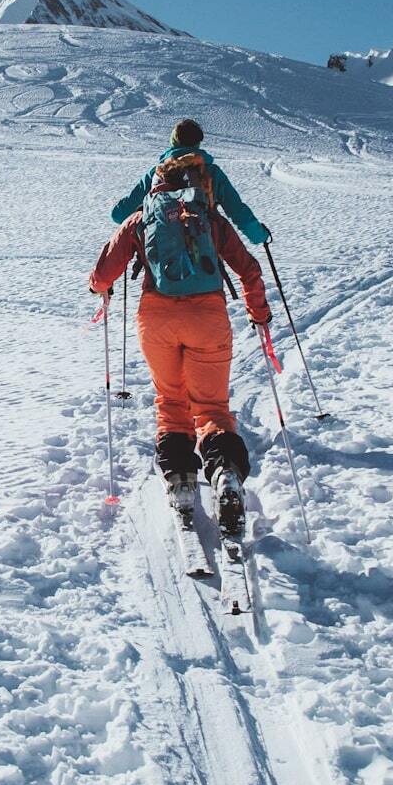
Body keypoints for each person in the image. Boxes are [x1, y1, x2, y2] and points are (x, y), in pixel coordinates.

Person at [89, 150, 273, 531]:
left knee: (171, 401)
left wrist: (99, 289)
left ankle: (181, 484)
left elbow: (104, 272)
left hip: (157, 319)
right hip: (208, 318)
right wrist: (259, 314)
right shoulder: (210, 219)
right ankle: (224, 474)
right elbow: (249, 270)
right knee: (212, 409)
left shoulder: (143, 219)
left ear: (157, 184)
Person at [111, 118, 270, 246]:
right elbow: (238, 211)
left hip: (162, 254)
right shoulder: (211, 173)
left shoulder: (158, 173)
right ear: (197, 143)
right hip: (206, 252)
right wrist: (259, 235)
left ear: (173, 141)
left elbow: (120, 215)